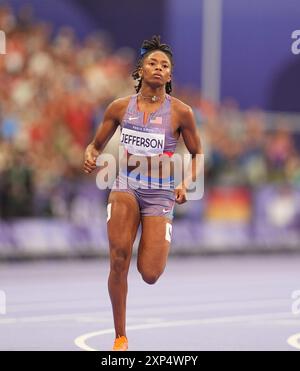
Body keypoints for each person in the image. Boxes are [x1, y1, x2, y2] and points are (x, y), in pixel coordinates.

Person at [84, 35, 202, 351]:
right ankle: (120, 336)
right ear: (140, 69)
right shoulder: (119, 108)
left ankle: (156, 232)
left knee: (150, 273)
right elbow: (95, 144)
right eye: (152, 62)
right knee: (118, 258)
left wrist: (185, 183)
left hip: (161, 194)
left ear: (170, 75)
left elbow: (197, 154)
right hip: (125, 185)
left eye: (165, 65)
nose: (158, 68)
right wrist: (92, 152)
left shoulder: (181, 113)